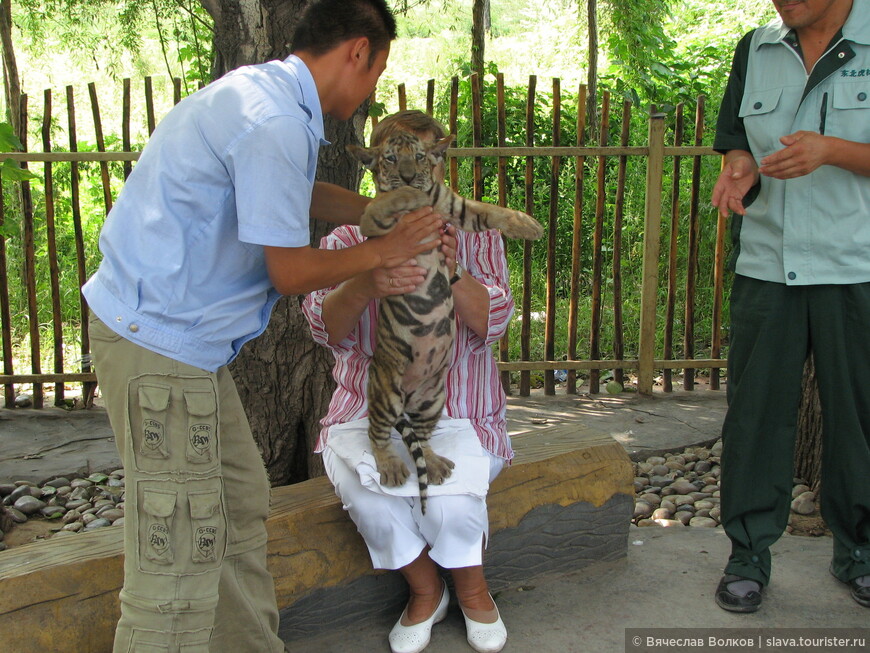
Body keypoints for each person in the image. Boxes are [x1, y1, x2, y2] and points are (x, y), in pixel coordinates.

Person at [82, 2, 447, 651]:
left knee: (237, 505)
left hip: (182, 348)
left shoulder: (264, 96)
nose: (369, 95)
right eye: (378, 71)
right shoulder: (277, 118)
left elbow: (288, 191)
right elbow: (288, 270)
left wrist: (370, 210)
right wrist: (380, 252)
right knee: (178, 563)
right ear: (358, 52)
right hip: (157, 347)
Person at [302, 110, 511, 653]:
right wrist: (367, 278)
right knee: (371, 496)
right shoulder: (349, 237)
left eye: (423, 160)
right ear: (376, 171)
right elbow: (326, 328)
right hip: (368, 410)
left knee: (447, 501)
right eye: (393, 164)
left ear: (438, 164)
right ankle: (426, 590)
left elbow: (495, 322)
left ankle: (473, 589)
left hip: (459, 409)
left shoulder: (475, 231)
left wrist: (454, 269)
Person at [711, 0, 870, 613]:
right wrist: (741, 164)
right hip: (767, 267)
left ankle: (860, 552)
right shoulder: (755, 48)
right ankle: (747, 555)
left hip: (856, 267)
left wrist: (832, 150)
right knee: (754, 418)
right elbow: (734, 143)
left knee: (859, 416)